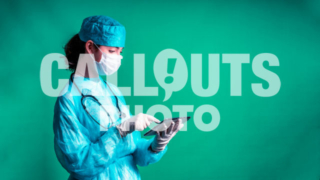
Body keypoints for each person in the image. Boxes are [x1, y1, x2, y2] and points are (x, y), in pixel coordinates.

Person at [53, 15, 183, 180]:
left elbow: (133, 150)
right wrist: (119, 131)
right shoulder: (68, 99)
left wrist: (157, 144)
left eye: (120, 52)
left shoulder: (112, 91)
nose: (118, 57)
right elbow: (78, 164)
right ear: (90, 47)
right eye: (112, 51)